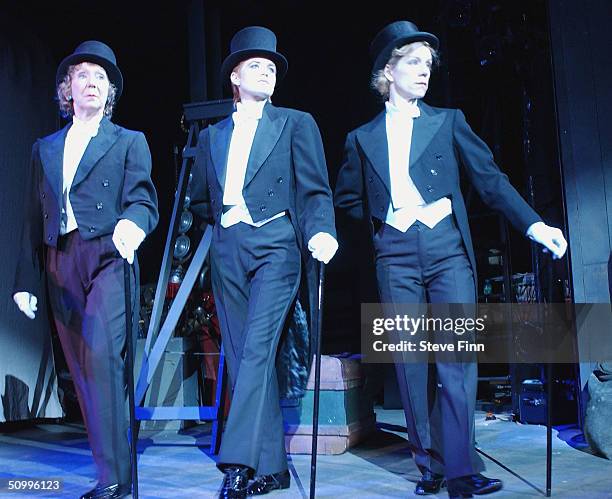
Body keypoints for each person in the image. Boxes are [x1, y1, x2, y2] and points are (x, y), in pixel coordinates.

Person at [334, 21, 567, 498]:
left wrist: (534, 224)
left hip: (446, 251)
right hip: (394, 255)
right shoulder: (361, 138)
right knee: (411, 363)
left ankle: (461, 468)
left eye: (428, 64)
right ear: (388, 70)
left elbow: (491, 179)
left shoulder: (449, 121)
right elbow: (348, 201)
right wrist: (382, 230)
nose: (424, 73)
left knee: (456, 360)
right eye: (413, 62)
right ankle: (430, 465)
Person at [190, 26, 338, 499]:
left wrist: (321, 230)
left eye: (272, 67)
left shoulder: (296, 123)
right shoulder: (212, 136)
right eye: (256, 65)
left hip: (277, 243)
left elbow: (315, 188)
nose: (267, 72)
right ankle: (272, 468)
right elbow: (197, 200)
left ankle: (236, 461)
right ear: (235, 74)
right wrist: (224, 225)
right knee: (243, 358)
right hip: (228, 246)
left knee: (255, 351)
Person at [13, 40, 159, 499]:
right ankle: (110, 473)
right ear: (68, 89)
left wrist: (133, 225)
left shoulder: (128, 141)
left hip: (108, 257)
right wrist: (25, 279)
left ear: (109, 92)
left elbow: (144, 200)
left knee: (101, 358)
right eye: (83, 76)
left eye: (101, 78)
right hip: (61, 262)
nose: (92, 83)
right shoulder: (46, 147)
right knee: (81, 369)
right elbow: (31, 217)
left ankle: (115, 478)